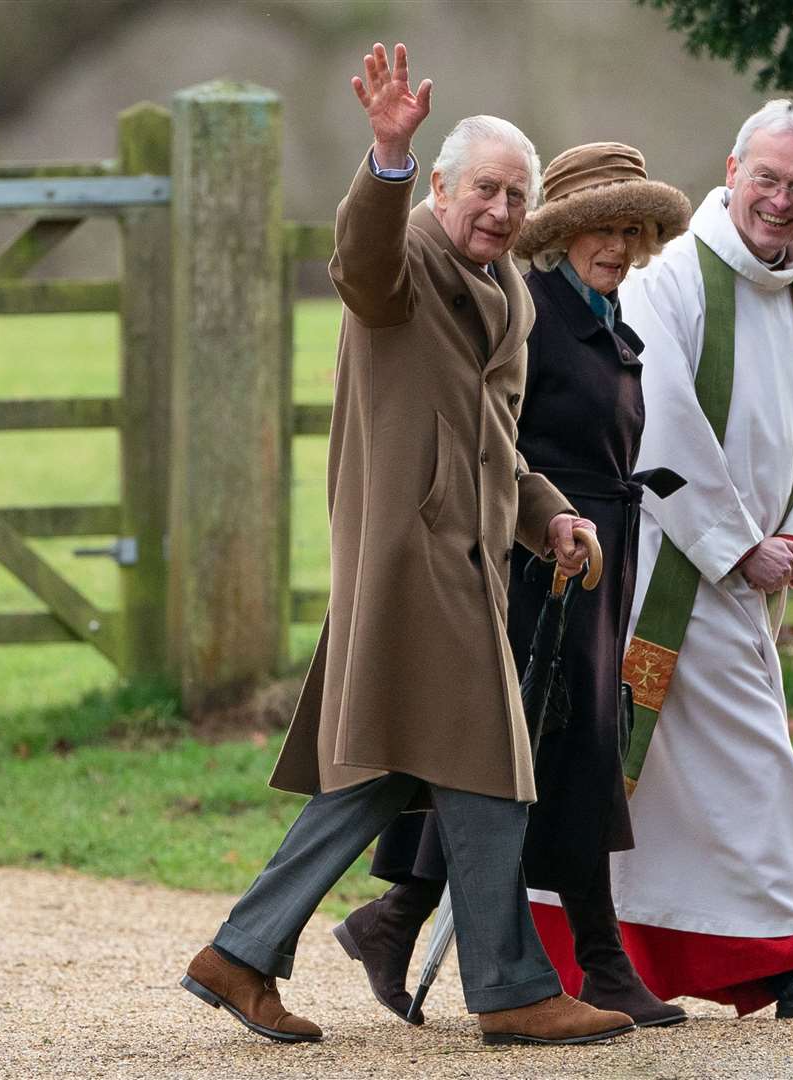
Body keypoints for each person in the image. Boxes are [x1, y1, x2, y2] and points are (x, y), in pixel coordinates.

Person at [179, 43, 634, 1048]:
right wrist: (383, 156)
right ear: (439, 186)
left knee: (384, 774)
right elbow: (361, 261)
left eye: (517, 195)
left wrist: (549, 512)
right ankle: (512, 987)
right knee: (491, 769)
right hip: (409, 561)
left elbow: (497, 445)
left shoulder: (508, 289)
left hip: (469, 562)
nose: (503, 210)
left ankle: (242, 954)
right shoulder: (409, 258)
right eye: (485, 189)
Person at [534, 100, 793, 1020]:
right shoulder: (674, 275)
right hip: (669, 564)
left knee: (663, 783)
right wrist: (736, 547)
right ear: (731, 170)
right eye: (767, 178)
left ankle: (584, 953)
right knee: (747, 750)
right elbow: (666, 420)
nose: (781, 199)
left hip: (757, 568)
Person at [335, 143, 693, 1029]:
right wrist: (540, 524)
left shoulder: (605, 315)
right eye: (603, 228)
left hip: (594, 549)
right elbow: (492, 435)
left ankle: (396, 917)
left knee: (545, 754)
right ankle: (588, 962)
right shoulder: (528, 306)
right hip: (533, 562)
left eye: (634, 230)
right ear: (563, 233)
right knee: (532, 755)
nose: (620, 244)